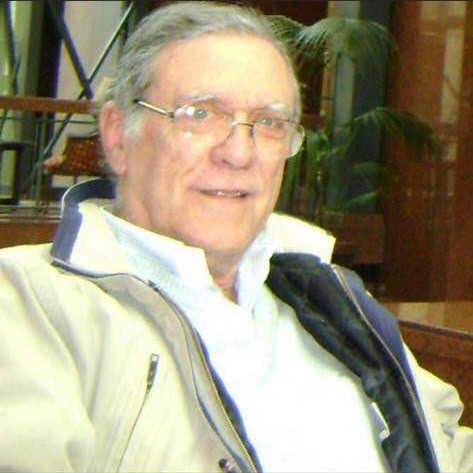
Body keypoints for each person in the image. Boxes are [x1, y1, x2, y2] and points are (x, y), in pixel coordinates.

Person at [1, 2, 472, 472]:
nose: (240, 153)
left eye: (269, 123)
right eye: (200, 113)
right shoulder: (30, 303)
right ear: (119, 136)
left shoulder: (327, 298)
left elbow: (444, 441)